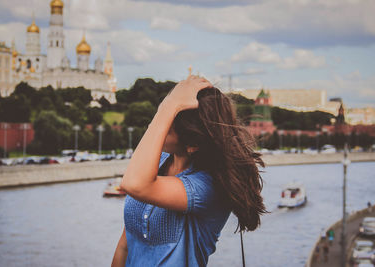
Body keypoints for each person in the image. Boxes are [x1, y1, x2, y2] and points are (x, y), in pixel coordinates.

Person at [111, 75, 268, 266]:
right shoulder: (158, 162)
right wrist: (171, 104)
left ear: (192, 144)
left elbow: (134, 185)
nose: (157, 125)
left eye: (167, 124)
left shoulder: (207, 187)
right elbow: (124, 246)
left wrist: (169, 106)